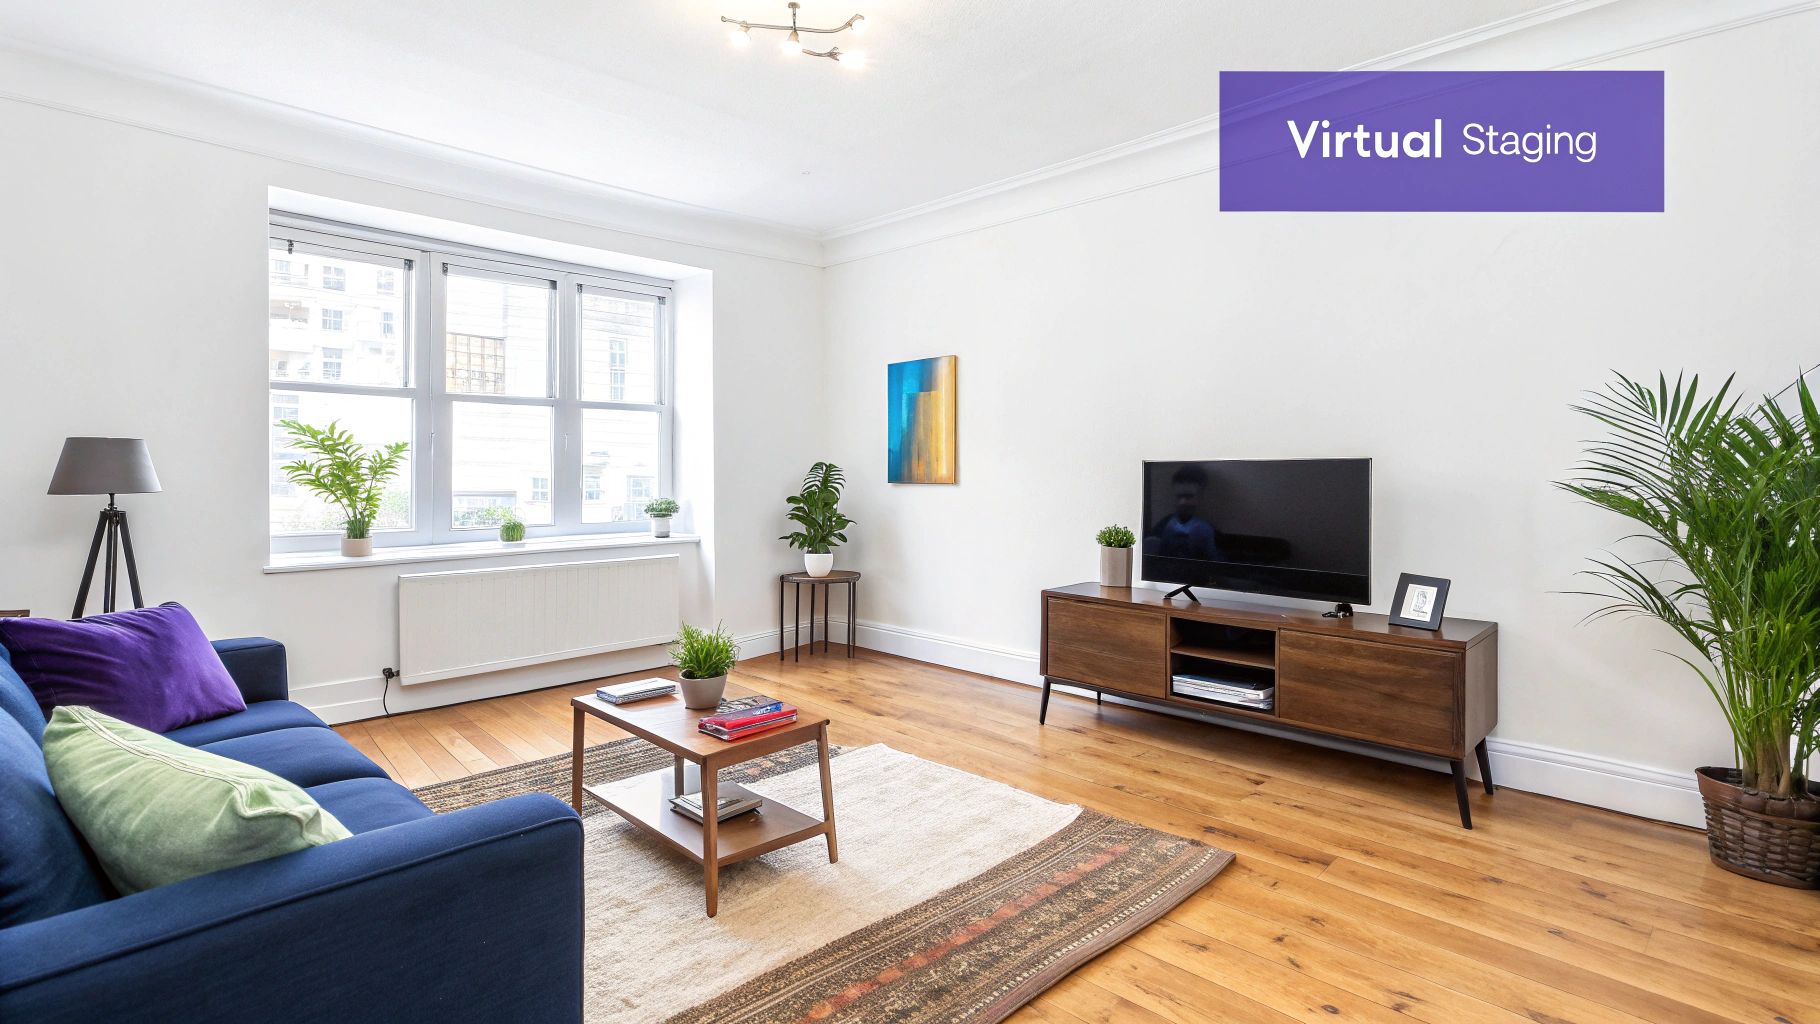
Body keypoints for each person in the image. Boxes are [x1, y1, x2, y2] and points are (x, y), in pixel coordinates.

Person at [1148, 465, 1220, 560]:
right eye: (1179, 497)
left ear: (1201, 497)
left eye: (1189, 497)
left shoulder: (1209, 531)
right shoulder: (1163, 526)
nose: (1183, 502)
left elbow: (1216, 562)